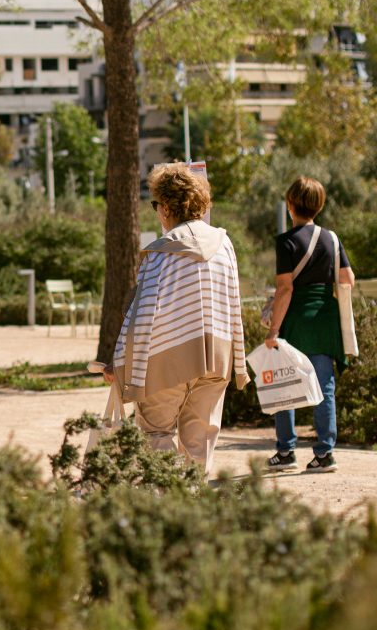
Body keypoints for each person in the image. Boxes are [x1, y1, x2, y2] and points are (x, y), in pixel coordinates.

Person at [105, 163, 248, 475]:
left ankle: (165, 507)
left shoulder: (161, 252)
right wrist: (238, 360)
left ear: (166, 207)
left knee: (156, 434)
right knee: (200, 442)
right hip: (217, 358)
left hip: (167, 358)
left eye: (156, 205)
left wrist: (119, 362)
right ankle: (193, 507)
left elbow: (141, 317)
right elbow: (233, 301)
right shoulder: (224, 244)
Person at [264, 176, 353, 473]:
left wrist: (274, 330)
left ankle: (286, 451)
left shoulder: (286, 242)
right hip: (324, 320)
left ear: (290, 205)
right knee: (324, 386)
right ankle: (325, 454)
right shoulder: (332, 238)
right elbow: (347, 280)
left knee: (283, 382)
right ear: (320, 205)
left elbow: (285, 289)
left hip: (296, 318)